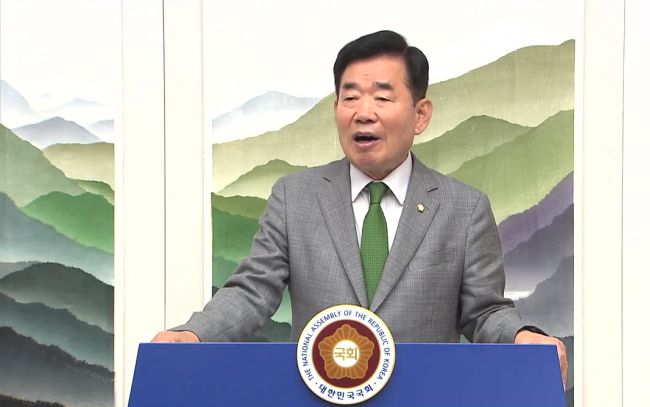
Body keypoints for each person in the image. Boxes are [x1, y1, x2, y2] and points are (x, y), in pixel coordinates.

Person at [153, 30, 567, 386]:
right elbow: (252, 292)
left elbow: (484, 312)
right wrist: (194, 335)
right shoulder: (295, 198)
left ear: (420, 115)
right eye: (349, 97)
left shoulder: (464, 209)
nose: (363, 113)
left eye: (382, 97)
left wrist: (522, 336)